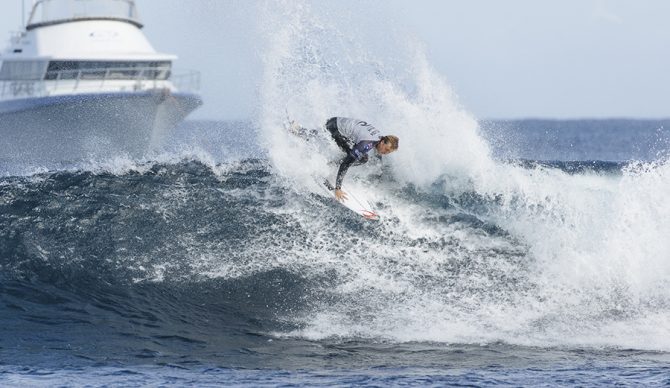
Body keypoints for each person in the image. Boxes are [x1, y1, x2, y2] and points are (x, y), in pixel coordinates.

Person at [324, 117, 399, 201]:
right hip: (334, 128)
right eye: (386, 150)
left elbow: (378, 156)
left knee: (362, 158)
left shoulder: (380, 138)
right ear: (382, 143)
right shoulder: (367, 144)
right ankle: (328, 167)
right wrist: (338, 188)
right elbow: (346, 164)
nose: (386, 153)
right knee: (357, 158)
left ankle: (332, 164)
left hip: (336, 121)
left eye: (389, 152)